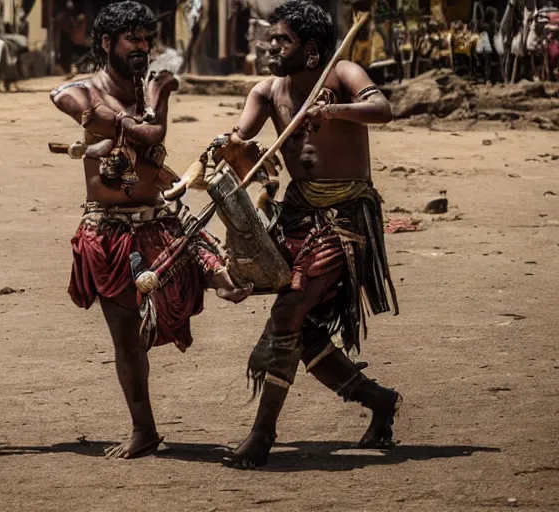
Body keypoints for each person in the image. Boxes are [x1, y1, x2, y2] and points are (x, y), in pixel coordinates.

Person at [50, 0, 250, 460]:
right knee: (125, 336)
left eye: (146, 39)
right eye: (132, 40)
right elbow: (72, 101)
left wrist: (143, 118)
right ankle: (145, 430)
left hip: (156, 220)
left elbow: (149, 143)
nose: (142, 47)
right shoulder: (95, 92)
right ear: (106, 43)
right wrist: (133, 113)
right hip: (109, 231)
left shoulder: (148, 90)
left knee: (229, 278)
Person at [217, 0, 402, 469]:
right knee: (302, 325)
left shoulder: (342, 72)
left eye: (283, 41)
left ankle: (261, 435)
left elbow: (382, 109)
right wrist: (230, 148)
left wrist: (336, 110)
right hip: (297, 214)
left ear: (313, 51)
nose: (270, 47)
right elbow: (240, 140)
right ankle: (377, 399)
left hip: (345, 216)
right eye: (271, 38)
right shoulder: (265, 90)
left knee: (290, 309)